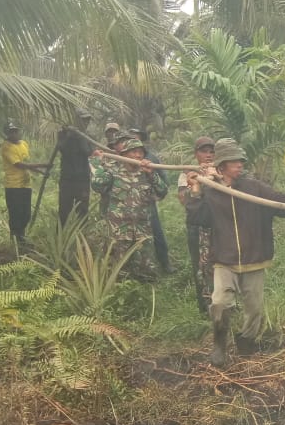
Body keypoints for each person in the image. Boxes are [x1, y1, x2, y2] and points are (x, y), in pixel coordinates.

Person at [184, 138, 285, 365]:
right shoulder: (212, 192)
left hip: (254, 259)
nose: (240, 165)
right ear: (222, 166)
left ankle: (246, 343)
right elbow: (197, 218)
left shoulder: (254, 188)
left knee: (254, 309)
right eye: (234, 161)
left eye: (241, 161)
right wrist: (195, 190)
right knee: (219, 302)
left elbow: (283, 202)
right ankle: (219, 345)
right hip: (224, 260)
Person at [90, 138, 168, 280]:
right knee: (119, 271)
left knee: (147, 270)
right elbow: (97, 186)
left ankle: (146, 295)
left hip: (142, 231)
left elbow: (162, 192)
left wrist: (152, 174)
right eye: (134, 152)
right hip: (119, 231)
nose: (138, 156)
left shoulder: (147, 174)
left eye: (141, 153)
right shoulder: (113, 172)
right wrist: (98, 163)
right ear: (124, 155)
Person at [178, 137, 216, 314]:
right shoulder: (186, 173)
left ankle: (224, 304)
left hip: (217, 224)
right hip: (196, 226)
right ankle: (205, 307)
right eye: (204, 151)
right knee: (200, 267)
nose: (208, 155)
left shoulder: (220, 170)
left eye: (211, 151)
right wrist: (197, 183)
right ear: (196, 154)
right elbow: (184, 200)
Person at [130, 127, 173, 273]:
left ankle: (165, 263)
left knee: (156, 232)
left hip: (147, 202)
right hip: (128, 205)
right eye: (131, 138)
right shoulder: (124, 157)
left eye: (137, 138)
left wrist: (158, 194)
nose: (135, 140)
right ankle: (139, 268)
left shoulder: (151, 158)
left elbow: (163, 178)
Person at [1, 120, 48, 244]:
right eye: (11, 132)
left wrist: (40, 171)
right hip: (13, 186)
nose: (14, 134)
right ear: (7, 134)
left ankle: (21, 238)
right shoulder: (7, 147)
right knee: (16, 214)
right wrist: (42, 165)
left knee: (26, 214)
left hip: (26, 185)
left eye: (16, 131)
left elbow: (27, 163)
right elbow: (20, 165)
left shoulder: (24, 144)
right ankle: (16, 241)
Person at [56, 108, 96, 225]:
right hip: (67, 179)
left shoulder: (88, 136)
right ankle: (62, 237)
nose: (86, 123)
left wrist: (80, 136)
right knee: (64, 209)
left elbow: (87, 152)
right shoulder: (63, 134)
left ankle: (82, 238)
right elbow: (62, 149)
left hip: (82, 179)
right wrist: (69, 135)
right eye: (83, 120)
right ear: (76, 120)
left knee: (82, 210)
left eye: (87, 120)